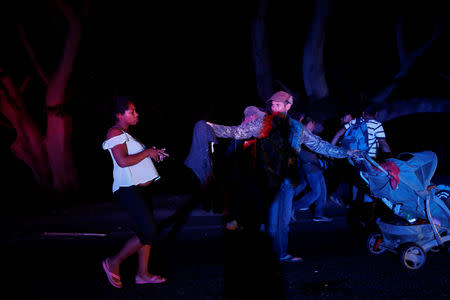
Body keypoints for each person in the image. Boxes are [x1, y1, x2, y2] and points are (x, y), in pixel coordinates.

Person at [206, 91, 357, 262]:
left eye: (278, 105)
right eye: (273, 105)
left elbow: (319, 145)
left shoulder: (297, 128)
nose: (274, 107)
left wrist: (347, 152)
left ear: (288, 106)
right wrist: (213, 128)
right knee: (271, 220)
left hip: (288, 180)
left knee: (284, 222)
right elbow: (238, 132)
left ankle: (281, 253)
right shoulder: (263, 123)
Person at [101, 96, 169, 288]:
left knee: (144, 231)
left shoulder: (125, 133)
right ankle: (113, 262)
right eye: (132, 111)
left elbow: (134, 158)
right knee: (148, 231)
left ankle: (143, 274)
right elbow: (122, 161)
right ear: (119, 115)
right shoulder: (114, 132)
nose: (136, 114)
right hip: (127, 189)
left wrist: (153, 152)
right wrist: (147, 153)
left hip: (138, 189)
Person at [293, 116, 332, 222]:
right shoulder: (302, 134)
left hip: (314, 166)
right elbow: (304, 153)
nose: (314, 127)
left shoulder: (306, 134)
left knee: (322, 191)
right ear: (310, 123)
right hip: (309, 167)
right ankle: (292, 207)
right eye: (313, 124)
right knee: (316, 192)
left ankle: (318, 214)